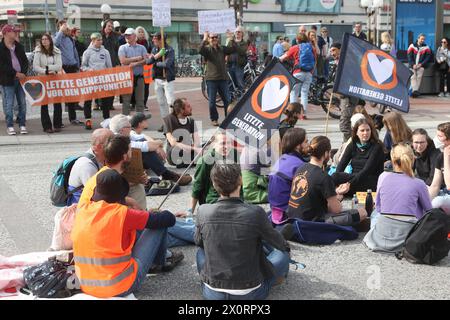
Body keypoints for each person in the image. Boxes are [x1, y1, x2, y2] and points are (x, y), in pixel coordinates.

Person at [72, 168, 184, 298]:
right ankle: (161, 262)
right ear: (120, 195)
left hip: (86, 286)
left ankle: (161, 259)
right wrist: (147, 214)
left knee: (142, 226)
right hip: (120, 286)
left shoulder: (83, 210)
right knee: (158, 223)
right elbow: (168, 219)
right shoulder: (121, 214)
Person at [195, 163, 290, 300]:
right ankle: (273, 280)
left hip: (213, 293)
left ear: (214, 184)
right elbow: (281, 244)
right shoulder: (255, 213)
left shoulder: (203, 210)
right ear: (240, 180)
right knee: (283, 253)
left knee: (200, 252)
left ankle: (207, 282)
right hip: (250, 292)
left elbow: (199, 242)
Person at [363, 144, 432, 253]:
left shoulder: (383, 176)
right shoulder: (419, 183)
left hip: (382, 233)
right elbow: (428, 210)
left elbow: (379, 207)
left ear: (392, 159)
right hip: (407, 235)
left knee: (375, 214)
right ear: (412, 159)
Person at [287, 136, 367, 226]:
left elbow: (312, 195)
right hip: (312, 222)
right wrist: (339, 197)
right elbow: (336, 210)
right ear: (325, 153)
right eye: (329, 152)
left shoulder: (301, 168)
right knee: (362, 213)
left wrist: (335, 193)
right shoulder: (324, 177)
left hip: (292, 217)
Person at [190, 132, 239, 214]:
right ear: (214, 144)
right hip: (214, 199)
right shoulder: (205, 160)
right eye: (222, 143)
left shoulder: (234, 153)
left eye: (229, 143)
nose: (226, 147)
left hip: (233, 197)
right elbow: (197, 186)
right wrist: (190, 211)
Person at [334, 118, 385, 197]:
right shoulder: (353, 145)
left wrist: (349, 184)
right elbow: (341, 165)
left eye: (368, 130)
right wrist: (337, 182)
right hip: (354, 178)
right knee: (335, 176)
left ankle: (341, 191)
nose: (365, 133)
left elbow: (366, 171)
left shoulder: (377, 147)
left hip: (370, 180)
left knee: (342, 183)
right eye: (362, 130)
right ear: (356, 132)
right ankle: (339, 191)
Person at [269, 128, 309, 225]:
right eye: (306, 142)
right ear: (297, 146)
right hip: (288, 211)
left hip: (275, 209)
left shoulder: (281, 159)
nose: (308, 145)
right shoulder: (300, 165)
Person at [67, 128, 115, 206]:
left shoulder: (101, 159)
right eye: (111, 143)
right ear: (99, 146)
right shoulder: (87, 165)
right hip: (82, 210)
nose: (115, 146)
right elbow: (99, 195)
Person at [199, 31, 237, 126]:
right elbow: (200, 50)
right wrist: (204, 38)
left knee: (227, 100)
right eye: (212, 37)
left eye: (216, 37)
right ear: (209, 39)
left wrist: (231, 38)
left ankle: (228, 118)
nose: (214, 39)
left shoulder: (222, 49)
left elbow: (233, 49)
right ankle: (214, 119)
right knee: (212, 102)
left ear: (218, 38)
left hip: (223, 79)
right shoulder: (207, 50)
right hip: (211, 79)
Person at [0, 24, 28, 135]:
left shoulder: (19, 46)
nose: (16, 33)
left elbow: (25, 61)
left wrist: (23, 73)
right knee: (9, 103)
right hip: (7, 80)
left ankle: (22, 124)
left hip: (21, 79)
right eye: (13, 31)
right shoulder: (0, 48)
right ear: (6, 33)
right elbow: (2, 66)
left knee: (22, 103)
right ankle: (10, 125)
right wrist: (16, 73)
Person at [279, 33, 315, 120]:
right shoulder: (311, 48)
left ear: (297, 40)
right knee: (304, 93)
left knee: (294, 93)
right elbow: (315, 59)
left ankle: (293, 113)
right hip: (308, 72)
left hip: (298, 72)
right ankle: (303, 113)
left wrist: (278, 58)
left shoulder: (295, 48)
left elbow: (283, 58)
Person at [81, 32, 113, 130]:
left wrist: (109, 76)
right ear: (93, 41)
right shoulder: (87, 52)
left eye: (101, 40)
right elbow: (83, 66)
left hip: (102, 80)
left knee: (105, 101)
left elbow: (109, 66)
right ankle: (88, 120)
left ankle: (106, 120)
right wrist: (89, 70)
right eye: (98, 40)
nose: (100, 41)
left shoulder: (105, 52)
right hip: (91, 80)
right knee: (88, 100)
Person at [33, 33, 63, 133]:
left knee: (57, 102)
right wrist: (45, 71)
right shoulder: (38, 52)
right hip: (43, 79)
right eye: (43, 39)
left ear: (50, 40)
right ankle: (47, 126)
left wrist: (49, 68)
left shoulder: (56, 51)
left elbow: (59, 65)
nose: (44, 41)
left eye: (46, 39)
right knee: (44, 103)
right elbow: (35, 67)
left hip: (55, 78)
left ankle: (57, 124)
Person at [54, 20, 82, 125]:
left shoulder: (70, 38)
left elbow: (75, 52)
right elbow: (55, 44)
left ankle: (73, 118)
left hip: (72, 68)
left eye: (67, 27)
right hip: (63, 68)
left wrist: (77, 65)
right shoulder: (57, 37)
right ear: (60, 27)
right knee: (60, 95)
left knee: (72, 94)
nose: (67, 29)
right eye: (65, 27)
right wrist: (61, 31)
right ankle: (58, 121)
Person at [329, 42, 359, 141]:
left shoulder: (347, 61)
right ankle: (348, 145)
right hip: (343, 96)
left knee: (344, 124)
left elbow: (351, 78)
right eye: (330, 51)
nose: (332, 53)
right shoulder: (338, 62)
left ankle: (348, 146)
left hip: (348, 96)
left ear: (340, 49)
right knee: (349, 123)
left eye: (334, 50)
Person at [147, 32, 176, 132]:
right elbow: (148, 62)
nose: (153, 40)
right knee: (161, 102)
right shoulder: (154, 49)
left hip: (167, 79)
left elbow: (167, 64)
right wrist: (157, 56)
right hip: (158, 79)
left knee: (170, 102)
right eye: (153, 38)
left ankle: (172, 123)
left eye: (155, 38)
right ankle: (165, 123)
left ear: (161, 39)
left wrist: (156, 63)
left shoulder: (170, 49)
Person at [163, 98, 201, 168]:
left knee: (207, 151)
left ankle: (192, 160)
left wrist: (196, 148)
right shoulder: (169, 119)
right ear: (181, 110)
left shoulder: (191, 120)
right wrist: (194, 149)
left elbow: (197, 140)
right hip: (175, 152)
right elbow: (173, 143)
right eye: (188, 106)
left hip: (188, 151)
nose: (191, 108)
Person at [118, 28, 149, 115]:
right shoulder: (122, 47)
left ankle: (139, 120)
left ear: (134, 36)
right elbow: (123, 61)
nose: (127, 37)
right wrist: (137, 58)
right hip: (127, 78)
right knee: (126, 101)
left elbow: (146, 60)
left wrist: (135, 64)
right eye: (126, 35)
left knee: (140, 100)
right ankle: (126, 120)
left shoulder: (142, 47)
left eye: (129, 35)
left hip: (139, 77)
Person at [407, 34, 432, 98]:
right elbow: (409, 56)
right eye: (421, 39)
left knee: (419, 78)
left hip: (421, 66)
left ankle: (414, 92)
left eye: (424, 39)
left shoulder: (426, 47)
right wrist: (413, 64)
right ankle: (415, 91)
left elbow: (428, 57)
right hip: (412, 66)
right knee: (413, 77)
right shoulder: (412, 46)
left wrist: (421, 64)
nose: (422, 40)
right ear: (418, 38)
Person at [227, 26, 248, 93]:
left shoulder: (244, 43)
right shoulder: (231, 42)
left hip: (239, 66)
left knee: (240, 83)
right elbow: (227, 51)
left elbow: (241, 51)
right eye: (236, 32)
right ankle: (231, 100)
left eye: (239, 32)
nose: (237, 33)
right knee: (230, 83)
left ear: (242, 33)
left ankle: (241, 99)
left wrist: (234, 42)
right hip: (230, 65)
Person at [136, 26, 152, 111]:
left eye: (142, 32)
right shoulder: (134, 43)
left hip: (147, 66)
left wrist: (149, 55)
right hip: (137, 66)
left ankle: (144, 104)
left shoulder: (147, 42)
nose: (141, 33)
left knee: (146, 86)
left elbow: (151, 52)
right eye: (139, 32)